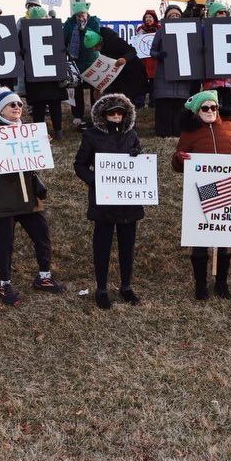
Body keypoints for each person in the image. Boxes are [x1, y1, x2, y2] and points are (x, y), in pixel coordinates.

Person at [0, 87, 66, 306]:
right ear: (0, 110)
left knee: (42, 235)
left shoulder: (27, 131)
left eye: (19, 104)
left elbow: (32, 163)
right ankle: (4, 284)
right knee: (5, 244)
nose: (17, 107)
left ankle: (44, 276)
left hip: (28, 196)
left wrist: (41, 148)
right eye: (11, 104)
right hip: (3, 199)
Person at [172, 90, 231, 300]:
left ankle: (221, 283)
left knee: (224, 235)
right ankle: (200, 285)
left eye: (214, 107)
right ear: (197, 111)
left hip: (226, 189)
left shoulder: (230, 128)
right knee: (200, 237)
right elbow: (177, 164)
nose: (210, 110)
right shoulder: (189, 133)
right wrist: (179, 159)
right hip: (201, 191)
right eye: (205, 107)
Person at [73, 94, 144, 309]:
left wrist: (137, 155)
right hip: (103, 200)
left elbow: (139, 162)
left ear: (125, 114)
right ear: (103, 115)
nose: (116, 115)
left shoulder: (131, 134)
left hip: (128, 200)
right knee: (102, 246)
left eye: (120, 112)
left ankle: (126, 286)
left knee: (127, 247)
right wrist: (95, 180)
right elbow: (80, 164)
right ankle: (101, 289)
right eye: (111, 112)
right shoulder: (91, 135)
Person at [21, 6, 67, 140]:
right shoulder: (53, 30)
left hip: (40, 74)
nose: (47, 18)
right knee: (46, 104)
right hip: (46, 73)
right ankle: (52, 131)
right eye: (45, 16)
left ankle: (50, 131)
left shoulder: (23, 32)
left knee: (44, 105)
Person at [149, 4, 192, 137]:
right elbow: (152, 51)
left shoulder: (188, 31)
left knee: (179, 106)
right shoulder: (160, 32)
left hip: (182, 77)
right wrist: (159, 55)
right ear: (166, 17)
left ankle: (179, 132)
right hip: (164, 75)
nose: (174, 17)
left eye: (177, 15)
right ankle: (163, 132)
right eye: (171, 15)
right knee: (164, 107)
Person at [62, 0, 102, 127]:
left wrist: (84, 29)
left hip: (92, 60)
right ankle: (77, 115)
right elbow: (64, 40)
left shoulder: (94, 22)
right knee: (76, 89)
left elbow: (96, 38)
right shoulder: (69, 24)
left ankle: (95, 113)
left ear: (86, 13)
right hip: (75, 61)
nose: (80, 17)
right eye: (78, 15)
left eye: (82, 15)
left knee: (94, 89)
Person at [82, 27, 147, 103]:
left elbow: (132, 51)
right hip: (121, 76)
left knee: (135, 101)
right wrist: (98, 87)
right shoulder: (103, 49)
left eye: (95, 47)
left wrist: (124, 59)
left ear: (100, 42)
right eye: (91, 49)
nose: (94, 50)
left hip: (134, 72)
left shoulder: (115, 41)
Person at [134, 10, 161, 108]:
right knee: (141, 81)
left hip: (154, 61)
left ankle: (153, 103)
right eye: (146, 17)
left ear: (154, 19)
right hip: (143, 61)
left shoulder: (160, 29)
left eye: (150, 17)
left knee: (154, 83)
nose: (148, 19)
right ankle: (139, 103)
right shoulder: (140, 30)